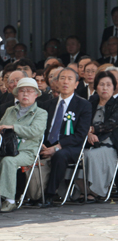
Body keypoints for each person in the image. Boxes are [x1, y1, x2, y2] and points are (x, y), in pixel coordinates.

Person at [0, 78, 48, 212]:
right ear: (17, 94)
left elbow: (35, 131)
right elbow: (0, 127)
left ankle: (10, 200)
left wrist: (13, 127)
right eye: (22, 91)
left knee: (8, 161)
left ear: (36, 95)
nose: (25, 94)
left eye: (30, 91)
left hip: (27, 151)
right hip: (6, 149)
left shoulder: (41, 113)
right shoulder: (10, 110)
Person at [38, 67, 92, 207]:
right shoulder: (47, 105)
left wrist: (57, 147)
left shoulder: (84, 105)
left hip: (70, 147)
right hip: (47, 143)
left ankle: (50, 194)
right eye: (62, 78)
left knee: (60, 155)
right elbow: (41, 128)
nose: (65, 82)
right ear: (56, 82)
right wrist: (42, 144)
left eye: (69, 79)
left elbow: (80, 134)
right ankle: (29, 194)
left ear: (76, 84)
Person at [79, 71, 118, 201]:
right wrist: (88, 133)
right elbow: (82, 121)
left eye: (108, 85)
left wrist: (91, 129)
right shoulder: (91, 102)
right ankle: (82, 189)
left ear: (114, 87)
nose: (105, 88)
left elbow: (111, 125)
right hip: (88, 141)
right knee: (74, 154)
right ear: (96, 87)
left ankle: (96, 191)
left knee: (90, 155)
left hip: (110, 143)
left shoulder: (116, 104)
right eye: (101, 84)